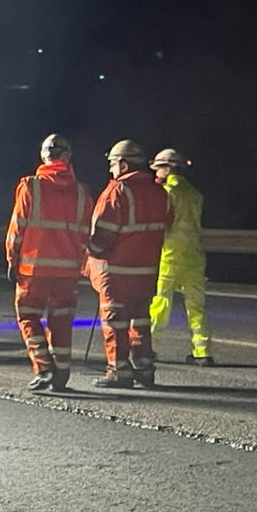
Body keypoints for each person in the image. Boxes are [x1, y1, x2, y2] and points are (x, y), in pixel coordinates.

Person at [5, 135, 90, 391]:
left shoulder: (31, 186)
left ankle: (44, 368)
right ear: (68, 157)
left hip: (34, 271)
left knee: (28, 316)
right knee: (62, 322)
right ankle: (62, 373)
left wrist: (12, 258)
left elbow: (16, 228)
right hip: (67, 273)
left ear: (44, 155)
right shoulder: (82, 192)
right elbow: (87, 232)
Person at [87, 140, 173, 388]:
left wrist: (90, 252)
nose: (111, 170)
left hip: (116, 271)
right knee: (140, 320)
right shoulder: (161, 193)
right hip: (147, 272)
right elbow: (168, 225)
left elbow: (102, 236)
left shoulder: (118, 191)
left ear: (123, 164)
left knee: (115, 321)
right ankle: (145, 369)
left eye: (112, 164)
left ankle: (119, 371)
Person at [148, 148, 212, 366]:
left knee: (160, 304)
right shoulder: (195, 194)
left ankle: (148, 349)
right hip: (194, 256)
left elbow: (160, 225)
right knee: (196, 307)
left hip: (169, 256)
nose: (156, 173)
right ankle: (203, 352)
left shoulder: (165, 192)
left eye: (159, 168)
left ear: (168, 168)